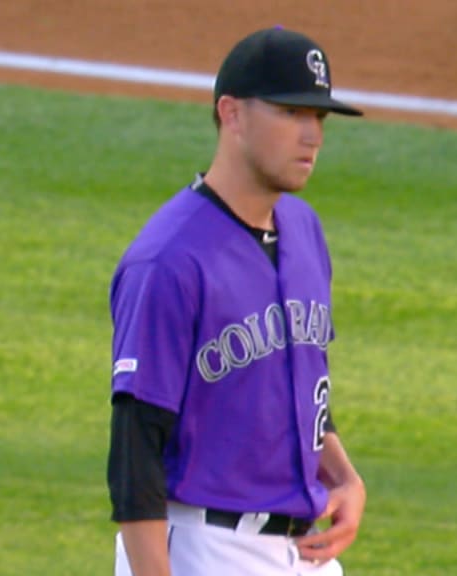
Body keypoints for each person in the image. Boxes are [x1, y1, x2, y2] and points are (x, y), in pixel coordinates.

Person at [106, 27, 367, 576]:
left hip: (303, 548)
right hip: (205, 547)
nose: (312, 135)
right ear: (232, 114)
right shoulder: (168, 261)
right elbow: (135, 451)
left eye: (318, 116)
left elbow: (296, 380)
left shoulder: (303, 229)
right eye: (291, 112)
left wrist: (341, 473)